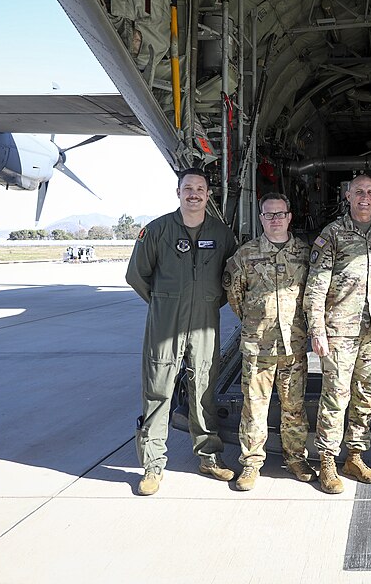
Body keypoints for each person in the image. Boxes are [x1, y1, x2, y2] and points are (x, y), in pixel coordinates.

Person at [125, 168, 238, 496]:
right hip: (165, 325)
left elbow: (231, 278)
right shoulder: (157, 230)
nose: (194, 194)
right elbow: (137, 275)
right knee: (158, 393)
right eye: (187, 188)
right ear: (178, 193)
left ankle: (208, 456)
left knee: (203, 390)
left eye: (200, 189)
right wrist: (164, 302)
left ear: (207, 195)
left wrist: (207, 302)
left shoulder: (221, 233)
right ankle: (152, 466)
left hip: (204, 325)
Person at [303, 174, 371, 494]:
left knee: (365, 395)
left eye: (370, 192)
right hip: (339, 330)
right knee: (335, 396)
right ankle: (327, 461)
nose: (365, 197)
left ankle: (355, 456)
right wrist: (317, 329)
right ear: (347, 196)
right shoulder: (332, 234)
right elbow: (315, 286)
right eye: (359, 191)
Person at [222, 192, 315, 491]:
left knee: (294, 407)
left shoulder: (304, 252)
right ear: (261, 218)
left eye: (280, 214)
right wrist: (255, 322)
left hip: (294, 344)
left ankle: (296, 458)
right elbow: (235, 296)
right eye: (268, 214)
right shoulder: (245, 255)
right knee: (254, 408)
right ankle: (251, 463)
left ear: (289, 217)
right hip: (258, 346)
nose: (275, 219)